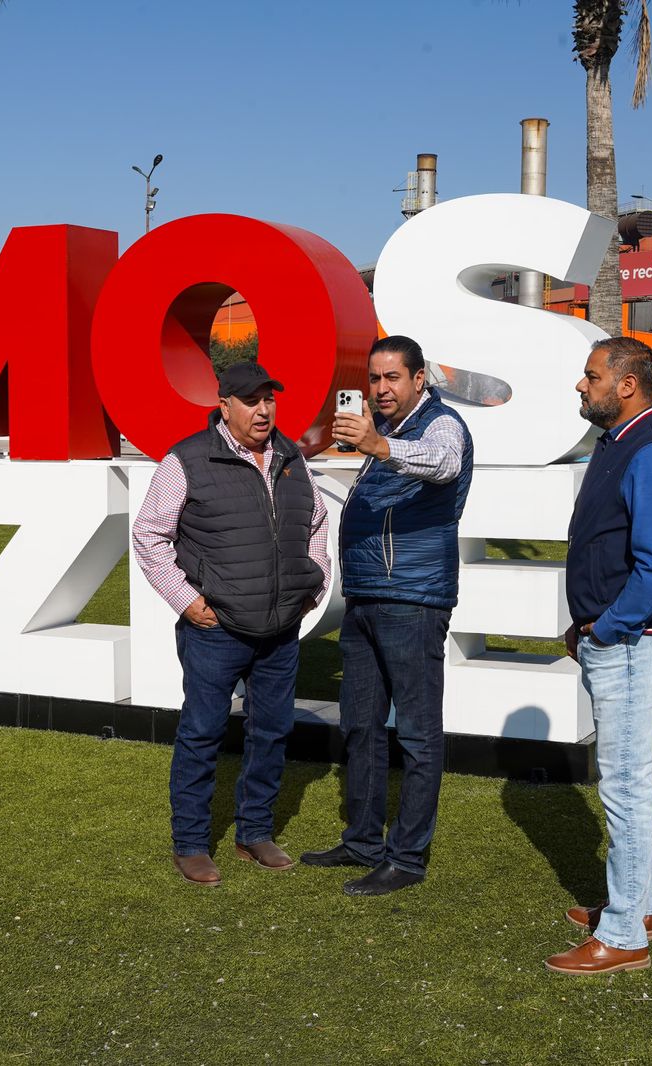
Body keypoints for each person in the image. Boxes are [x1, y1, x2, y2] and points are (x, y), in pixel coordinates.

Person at [131, 361, 331, 886]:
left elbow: (315, 523)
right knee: (202, 734)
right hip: (215, 630)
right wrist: (186, 601)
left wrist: (312, 586)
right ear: (224, 406)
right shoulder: (186, 460)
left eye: (269, 399)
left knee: (272, 732)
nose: (263, 410)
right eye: (250, 400)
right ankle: (191, 844)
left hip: (280, 629)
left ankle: (255, 832)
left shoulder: (291, 456)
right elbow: (149, 535)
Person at [300, 335, 473, 896]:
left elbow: (444, 463)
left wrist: (378, 445)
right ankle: (363, 841)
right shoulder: (389, 433)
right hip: (367, 599)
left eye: (392, 377)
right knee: (359, 725)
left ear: (419, 379)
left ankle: (407, 858)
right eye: (374, 379)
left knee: (418, 735)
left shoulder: (440, 425)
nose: (380, 388)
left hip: (413, 602)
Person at [546, 336, 652, 976]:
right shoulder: (621, 441)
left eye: (591, 376)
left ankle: (626, 934)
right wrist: (586, 623)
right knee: (627, 785)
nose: (582, 386)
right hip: (619, 638)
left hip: (634, 645)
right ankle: (638, 906)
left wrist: (606, 628)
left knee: (626, 788)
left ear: (626, 385)